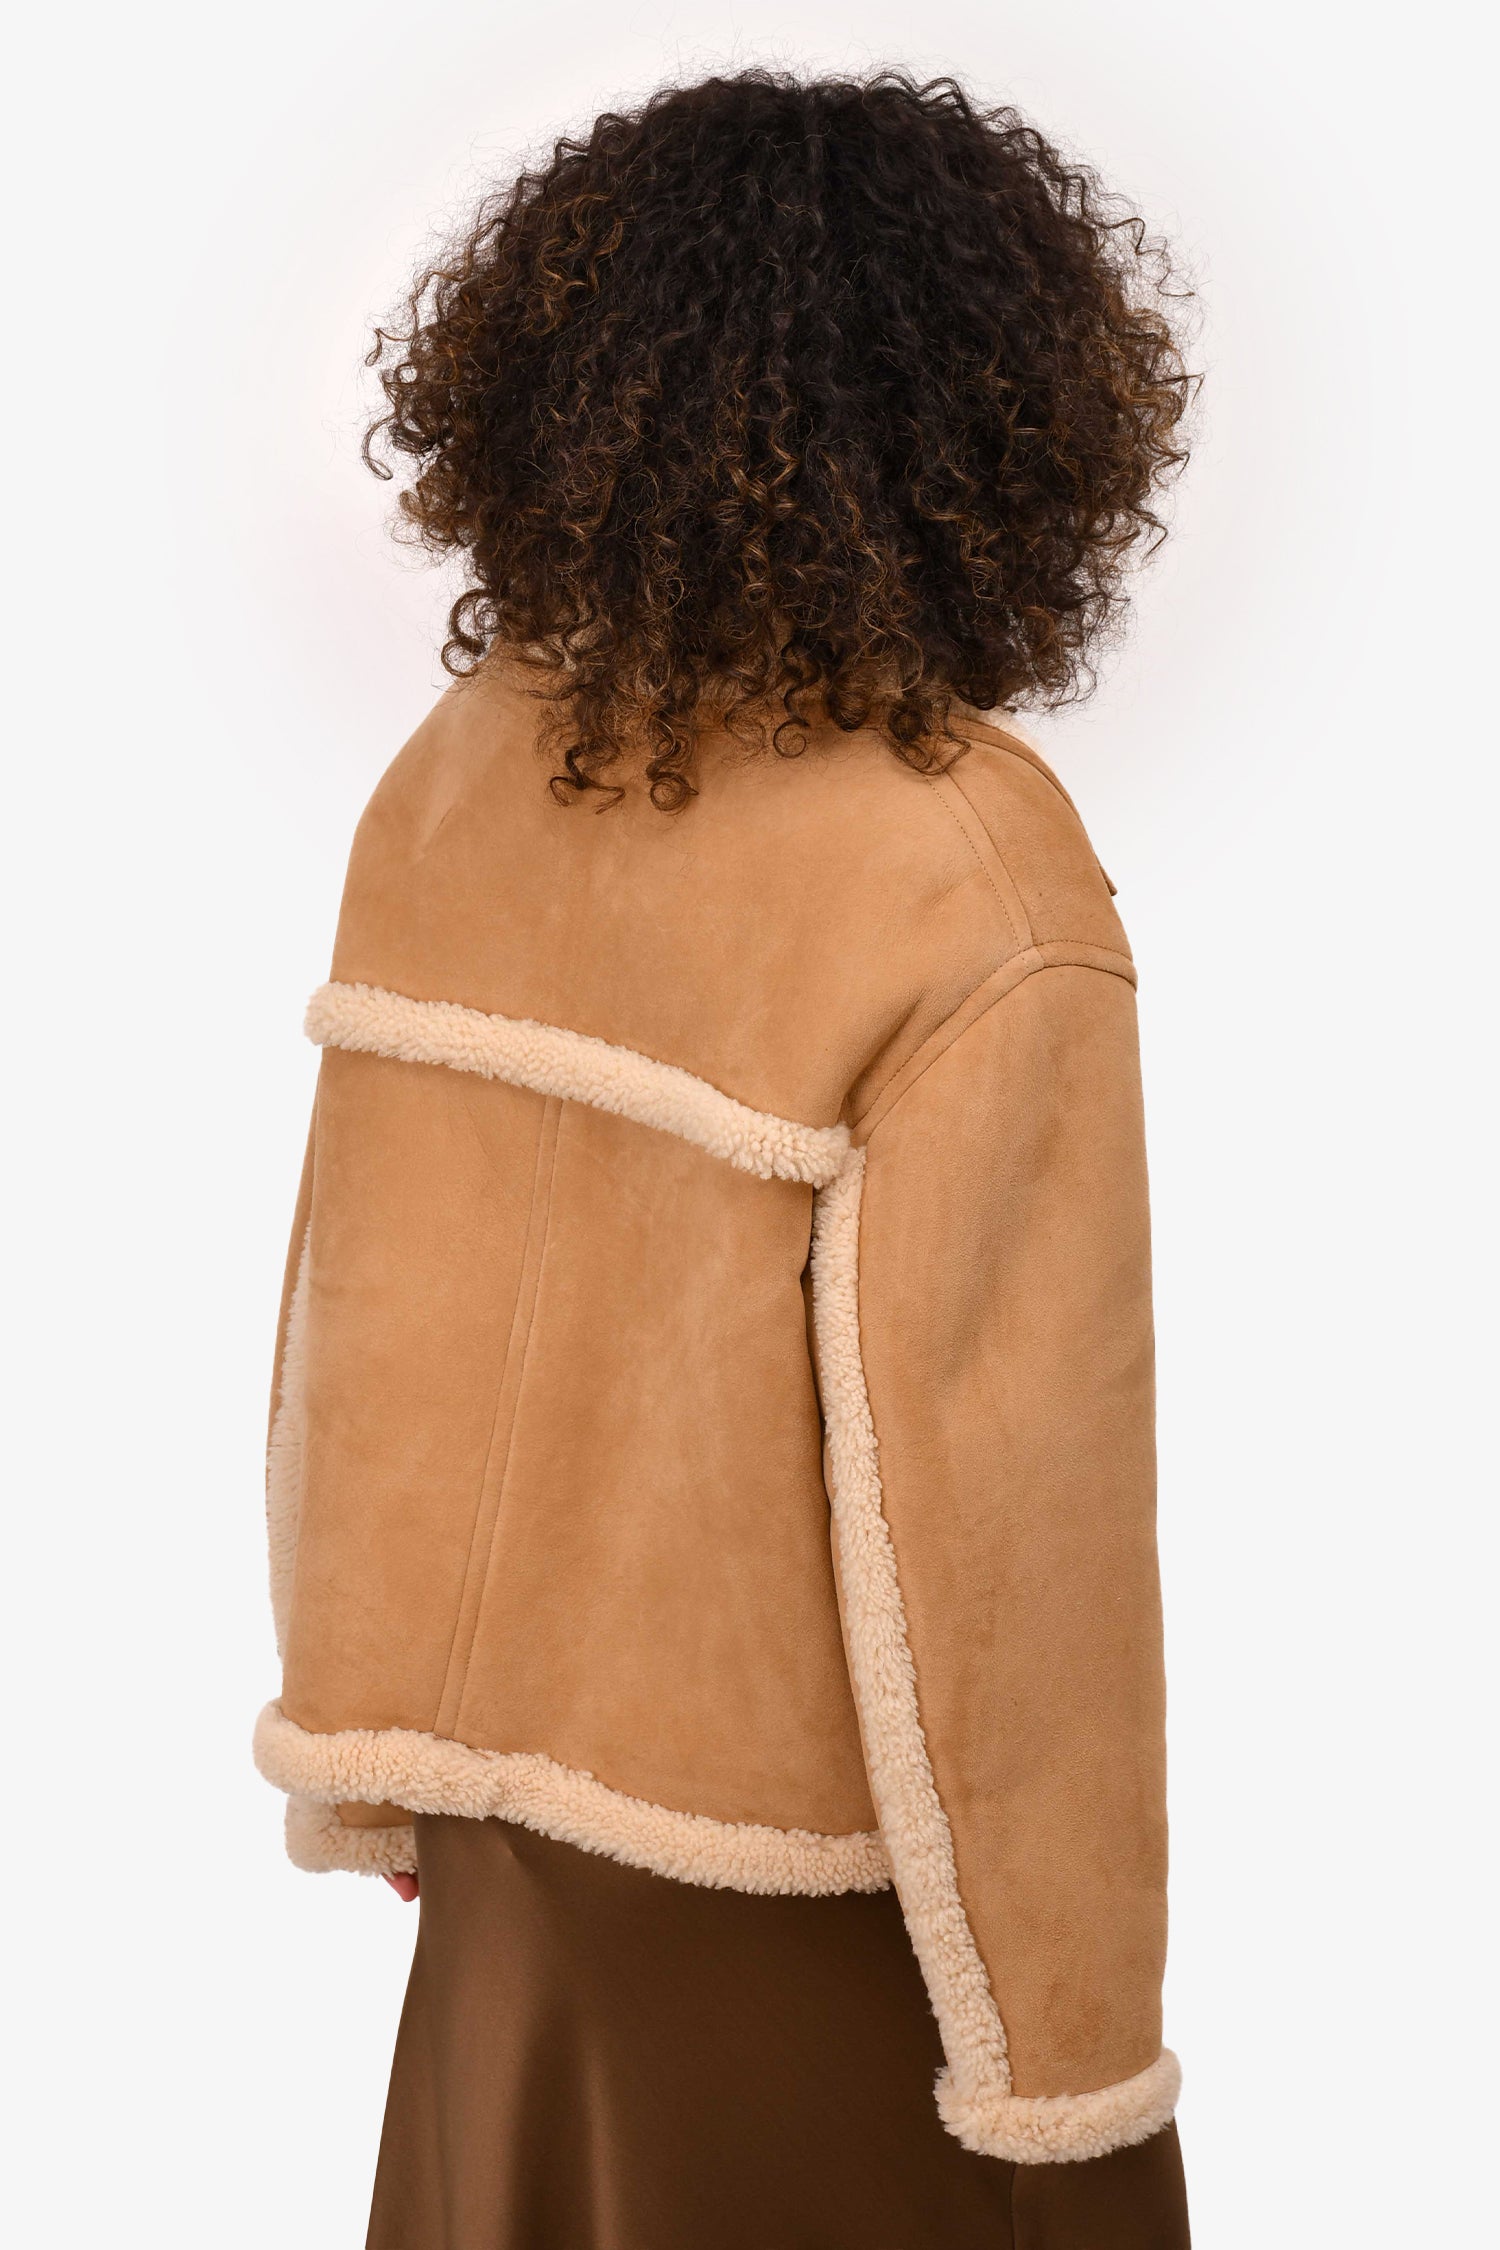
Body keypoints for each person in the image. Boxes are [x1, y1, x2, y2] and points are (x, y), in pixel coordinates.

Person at [255, 68, 1195, 2247]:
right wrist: (1074, 2071)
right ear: (1001, 430)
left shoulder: (459, 776)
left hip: (503, 1885)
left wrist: (387, 1739)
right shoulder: (963, 872)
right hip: (826, 1936)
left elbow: (356, 1305)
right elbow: (1012, 1537)